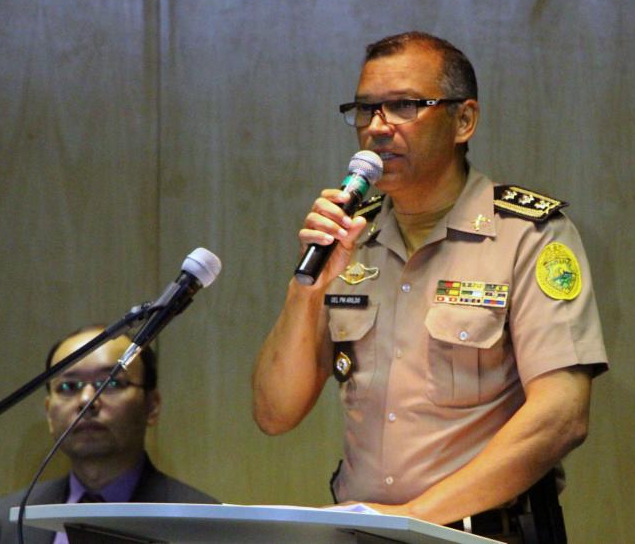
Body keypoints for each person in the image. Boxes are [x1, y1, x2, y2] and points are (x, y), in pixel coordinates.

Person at [252, 31, 608, 543]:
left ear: (464, 121)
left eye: (403, 106)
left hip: (484, 534)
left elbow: (562, 416)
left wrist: (415, 518)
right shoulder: (354, 239)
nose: (378, 128)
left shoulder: (527, 234)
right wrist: (306, 290)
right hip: (363, 533)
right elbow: (273, 413)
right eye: (365, 109)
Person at [0, 325, 217, 544]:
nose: (87, 400)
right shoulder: (2, 520)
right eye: (68, 386)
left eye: (110, 383)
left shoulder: (205, 522)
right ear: (49, 413)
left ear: (152, 406)